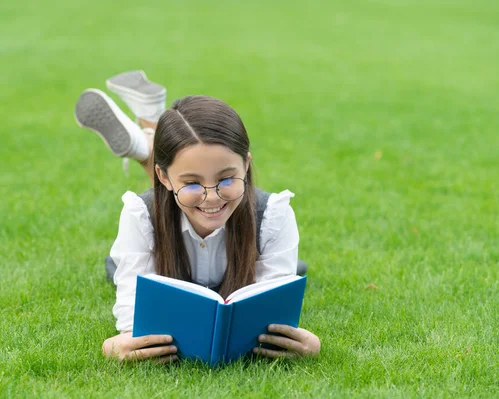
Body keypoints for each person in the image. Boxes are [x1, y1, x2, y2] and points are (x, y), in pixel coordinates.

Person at [74, 71, 321, 363]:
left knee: (294, 269)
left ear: (246, 164)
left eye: (227, 179)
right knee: (117, 268)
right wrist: (120, 343)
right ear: (163, 177)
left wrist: (307, 344)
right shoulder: (140, 216)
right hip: (164, 262)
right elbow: (133, 318)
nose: (212, 197)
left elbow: (273, 311)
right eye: (192, 183)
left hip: (238, 270)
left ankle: (148, 137)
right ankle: (150, 132)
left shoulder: (273, 214)